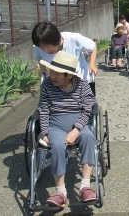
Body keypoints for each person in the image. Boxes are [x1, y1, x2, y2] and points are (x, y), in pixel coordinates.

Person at [37, 51, 96, 206]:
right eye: (51, 71)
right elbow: (43, 110)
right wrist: (44, 132)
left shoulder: (82, 85)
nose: (52, 76)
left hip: (79, 123)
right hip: (55, 124)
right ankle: (60, 192)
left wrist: (75, 130)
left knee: (89, 137)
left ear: (69, 75)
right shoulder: (47, 85)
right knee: (56, 146)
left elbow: (88, 110)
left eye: (57, 73)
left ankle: (85, 186)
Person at [32, 21, 97, 81]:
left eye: (48, 46)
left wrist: (92, 65)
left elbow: (93, 46)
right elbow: (39, 57)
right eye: (42, 47)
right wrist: (43, 68)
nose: (46, 50)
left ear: (55, 39)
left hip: (79, 81)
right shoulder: (38, 47)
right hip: (56, 83)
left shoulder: (74, 39)